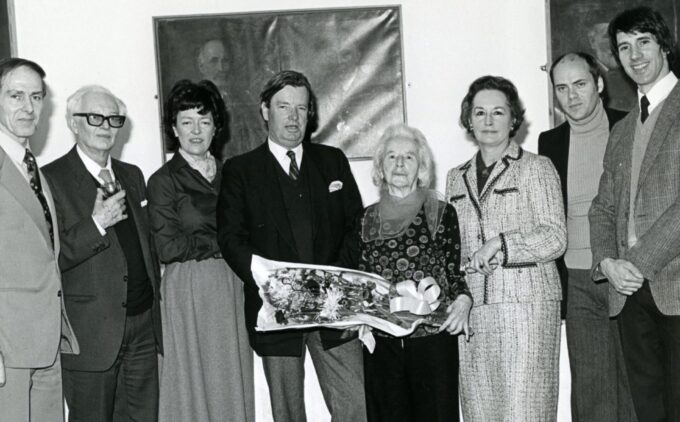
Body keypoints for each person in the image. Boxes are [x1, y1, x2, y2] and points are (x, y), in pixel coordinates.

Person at [217, 70, 367, 422]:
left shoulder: (332, 161)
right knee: (287, 415)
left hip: (334, 308)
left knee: (356, 406)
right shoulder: (240, 170)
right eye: (284, 107)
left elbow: (356, 228)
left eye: (301, 108)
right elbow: (230, 238)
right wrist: (274, 284)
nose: (293, 117)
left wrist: (334, 282)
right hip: (276, 310)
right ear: (265, 110)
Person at [446, 75, 566, 421]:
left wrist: (502, 244)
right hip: (475, 312)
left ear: (513, 119)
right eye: (480, 113)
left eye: (498, 112)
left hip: (527, 309)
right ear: (469, 118)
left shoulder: (537, 168)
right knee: (480, 412)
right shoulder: (456, 177)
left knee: (525, 411)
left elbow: (555, 237)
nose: (488, 121)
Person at [42, 85, 162, 421]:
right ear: (74, 123)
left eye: (113, 119)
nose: (106, 126)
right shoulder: (50, 179)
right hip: (90, 333)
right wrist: (96, 224)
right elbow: (51, 257)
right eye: (95, 117)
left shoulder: (132, 175)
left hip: (141, 326)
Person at [341, 124, 472, 422]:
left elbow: (454, 274)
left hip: (433, 342)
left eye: (409, 157)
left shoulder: (441, 212)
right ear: (380, 167)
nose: (399, 164)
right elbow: (359, 279)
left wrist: (464, 300)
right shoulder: (364, 219)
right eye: (391, 157)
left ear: (421, 167)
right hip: (383, 345)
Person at [590, 7, 680, 421]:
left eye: (643, 42)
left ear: (663, 45)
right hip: (628, 293)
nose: (635, 54)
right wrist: (607, 262)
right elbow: (602, 206)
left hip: (672, 285)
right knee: (649, 410)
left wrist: (636, 263)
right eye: (624, 47)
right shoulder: (622, 128)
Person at [148, 79, 254, 422]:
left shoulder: (233, 174)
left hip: (231, 285)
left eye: (204, 121)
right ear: (173, 129)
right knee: (191, 383)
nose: (196, 130)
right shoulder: (163, 180)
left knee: (230, 378)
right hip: (189, 288)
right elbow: (169, 246)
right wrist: (223, 243)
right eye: (186, 121)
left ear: (216, 127)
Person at [538, 52, 636, 422]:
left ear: (597, 84)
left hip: (625, 274)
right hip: (578, 279)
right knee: (591, 387)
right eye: (562, 88)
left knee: (633, 383)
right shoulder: (549, 142)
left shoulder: (628, 126)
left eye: (580, 84)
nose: (572, 96)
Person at [0, 57, 79, 422]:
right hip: (8, 348)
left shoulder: (29, 165)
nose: (28, 107)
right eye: (15, 96)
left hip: (47, 341)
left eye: (36, 96)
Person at [196, 38, 264, 159]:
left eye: (225, 61)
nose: (221, 68)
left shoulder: (242, 99)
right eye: (214, 61)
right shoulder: (194, 102)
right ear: (201, 66)